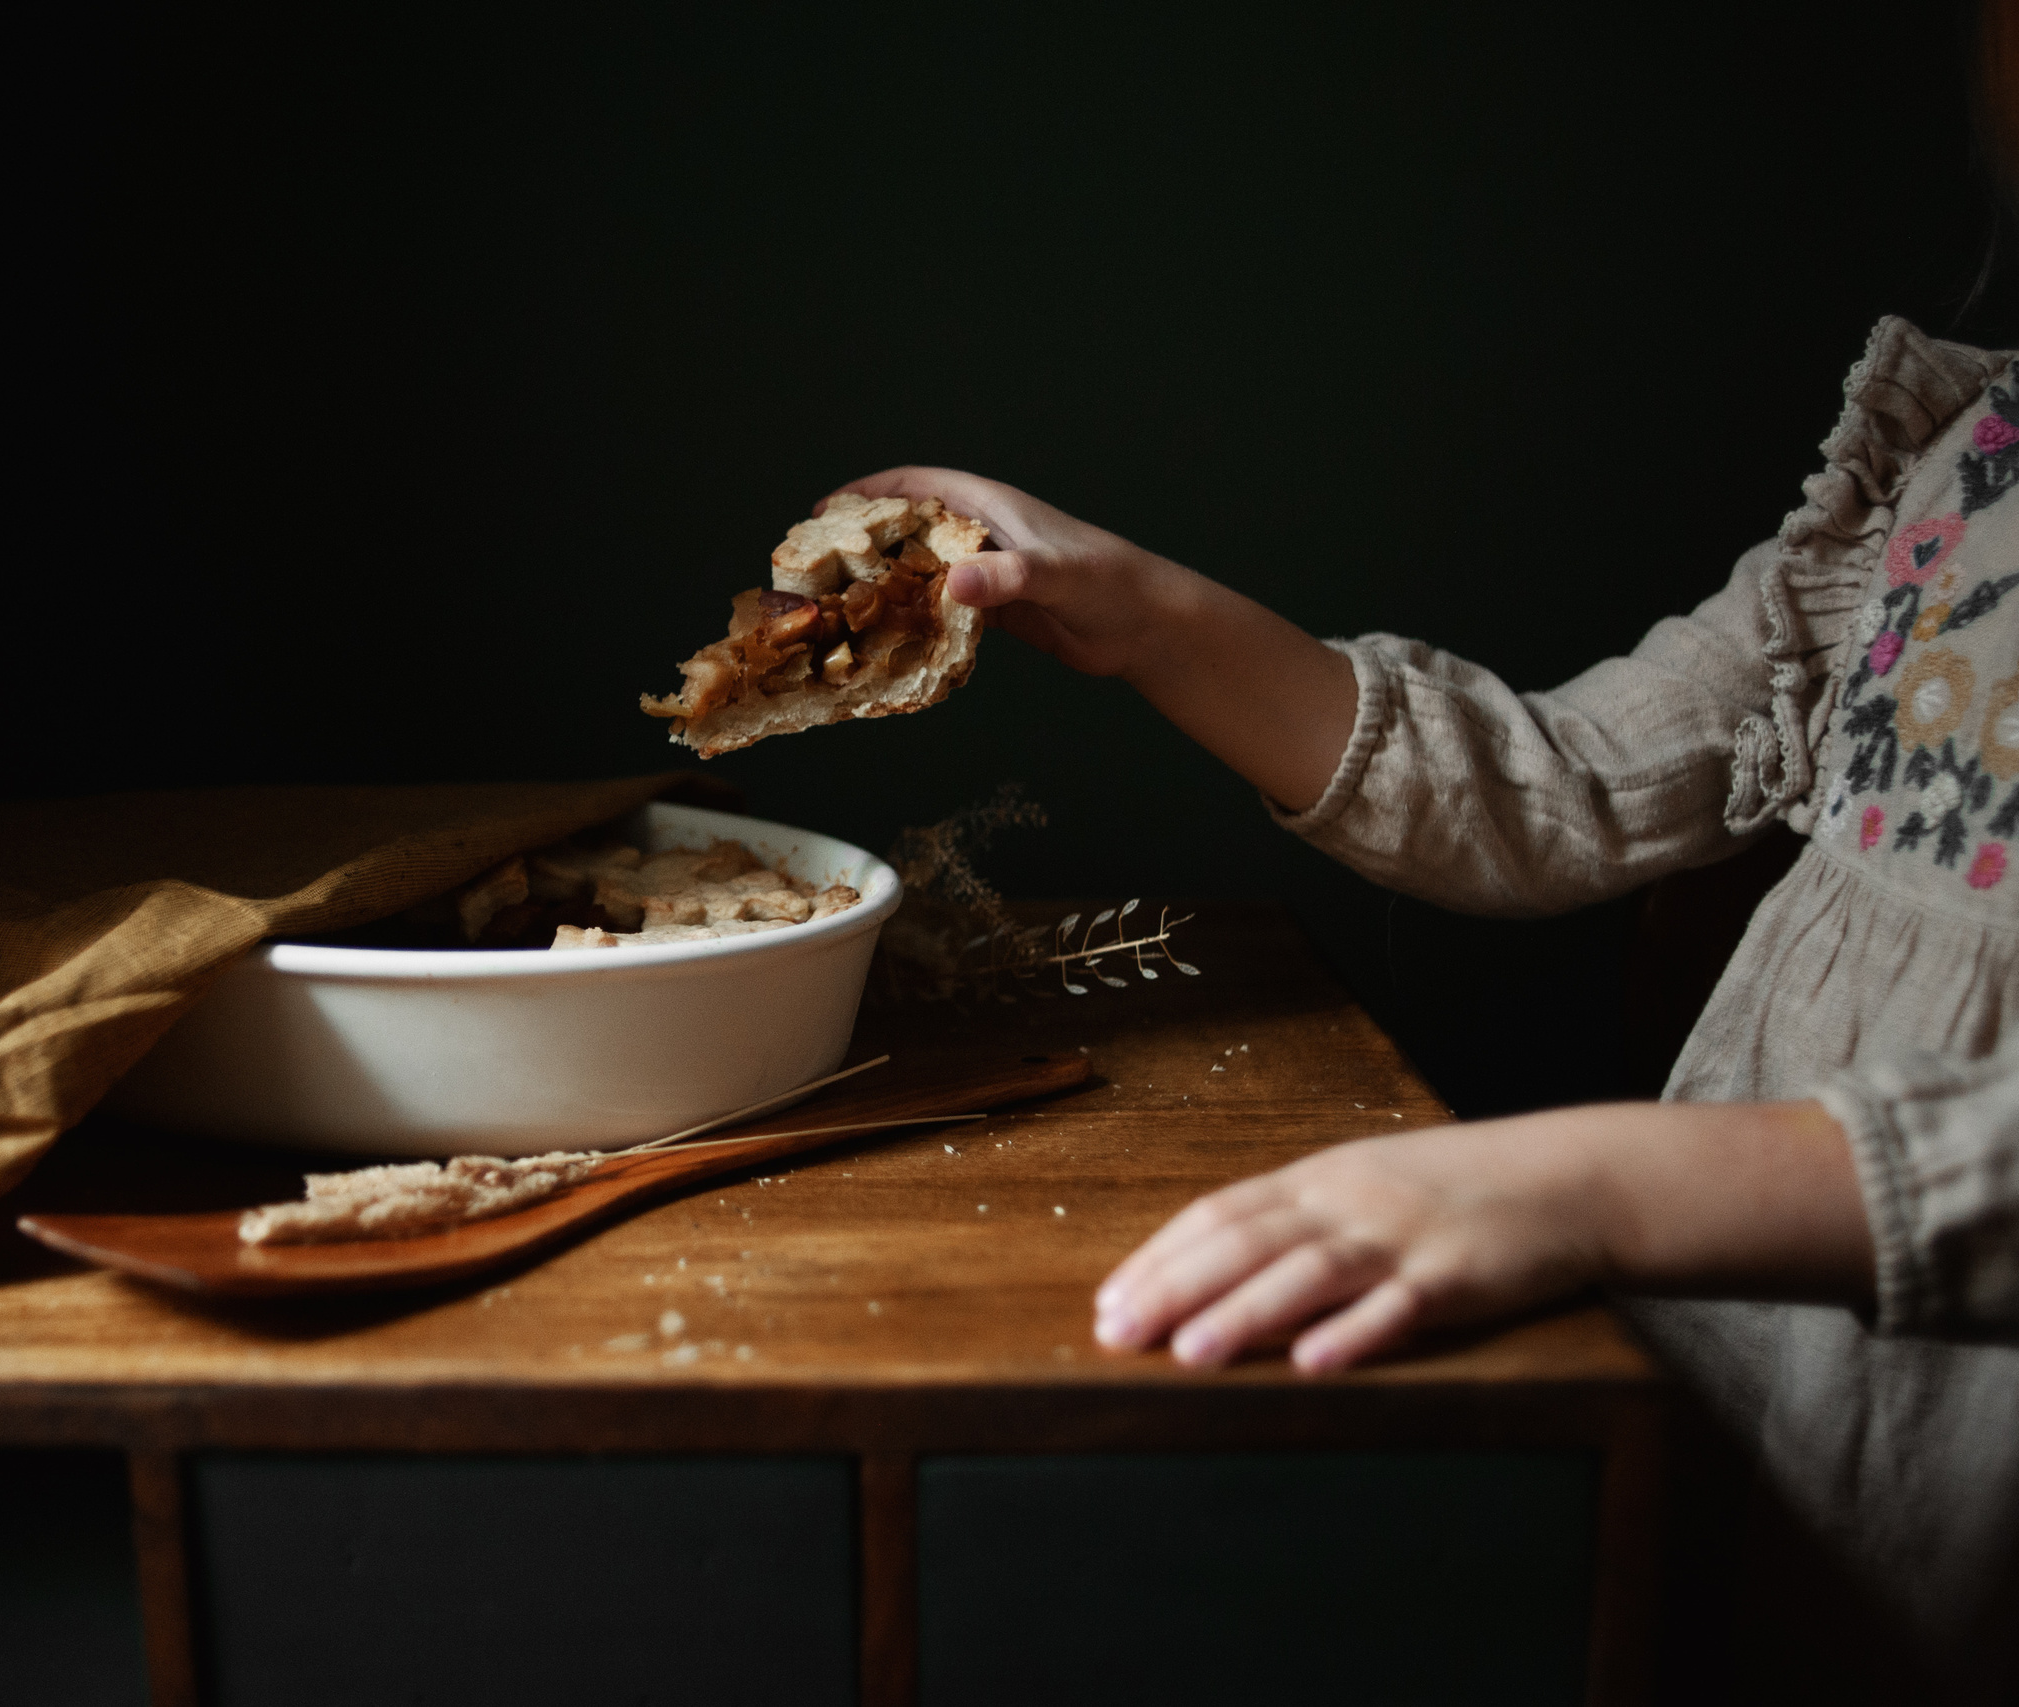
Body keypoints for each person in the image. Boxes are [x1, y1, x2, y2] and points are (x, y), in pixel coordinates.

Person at [842, 310, 2019, 1689]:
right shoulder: (1955, 448)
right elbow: (1562, 787)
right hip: (1751, 1404)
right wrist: (1147, 616)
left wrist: (1588, 1188)